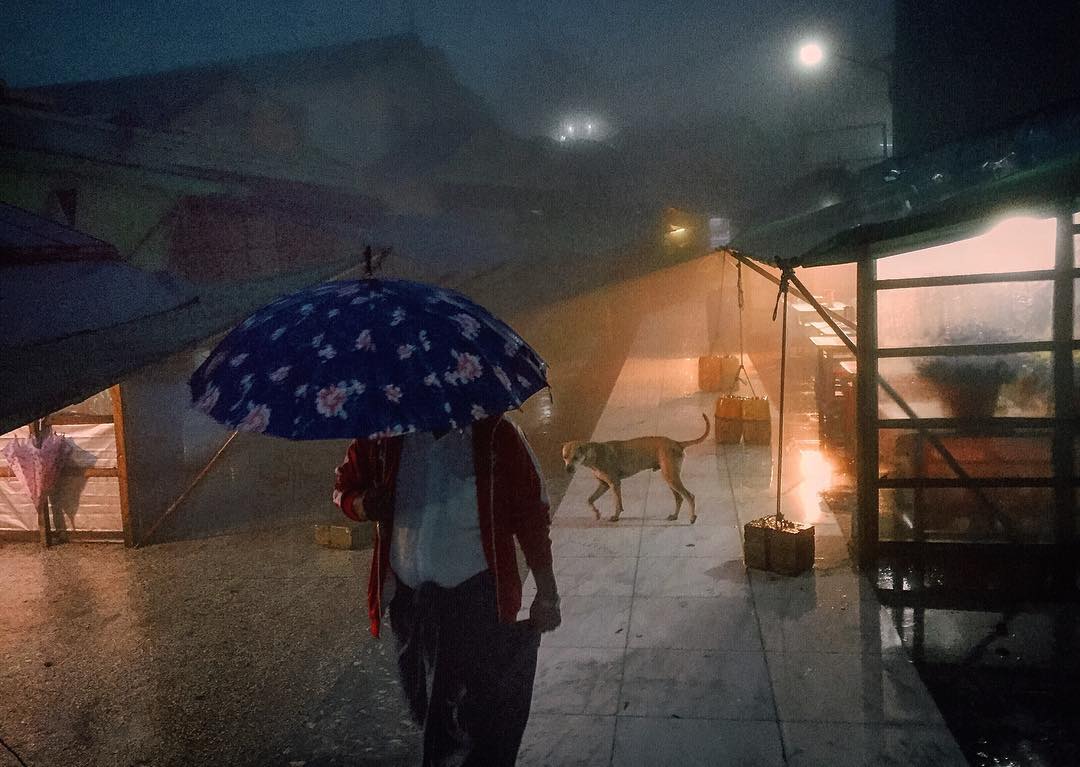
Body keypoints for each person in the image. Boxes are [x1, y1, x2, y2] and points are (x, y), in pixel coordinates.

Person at [334, 414, 560, 766]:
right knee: (424, 707)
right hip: (411, 607)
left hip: (476, 604)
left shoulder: (497, 435)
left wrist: (547, 591)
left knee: (474, 722)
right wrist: (363, 505)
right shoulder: (382, 436)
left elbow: (531, 513)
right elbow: (344, 488)